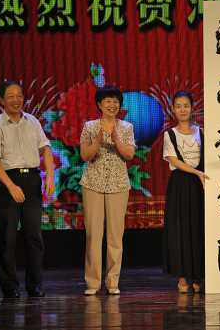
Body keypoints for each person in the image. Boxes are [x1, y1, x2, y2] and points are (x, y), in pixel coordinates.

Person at [0, 80, 55, 298]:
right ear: (2, 100)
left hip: (31, 180)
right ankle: (10, 286)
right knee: (8, 237)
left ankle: (35, 285)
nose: (16, 100)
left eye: (19, 95)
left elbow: (46, 149)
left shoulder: (32, 122)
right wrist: (11, 185)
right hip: (7, 181)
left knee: (34, 236)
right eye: (11, 96)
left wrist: (50, 175)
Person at [79, 85, 136, 295]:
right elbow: (85, 155)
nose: (112, 105)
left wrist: (116, 138)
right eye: (108, 101)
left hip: (118, 185)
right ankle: (92, 283)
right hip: (92, 184)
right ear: (99, 104)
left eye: (115, 101)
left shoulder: (127, 127)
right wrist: (98, 140)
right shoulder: (90, 126)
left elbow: (129, 154)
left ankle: (113, 282)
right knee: (93, 235)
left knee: (115, 235)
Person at [162, 91, 209, 293]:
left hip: (200, 186)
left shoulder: (202, 132)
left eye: (186, 106)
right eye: (178, 106)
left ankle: (198, 275)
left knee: (198, 228)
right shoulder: (170, 134)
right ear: (173, 109)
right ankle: (182, 277)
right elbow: (174, 160)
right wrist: (197, 172)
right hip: (180, 185)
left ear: (192, 108)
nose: (182, 110)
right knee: (180, 229)